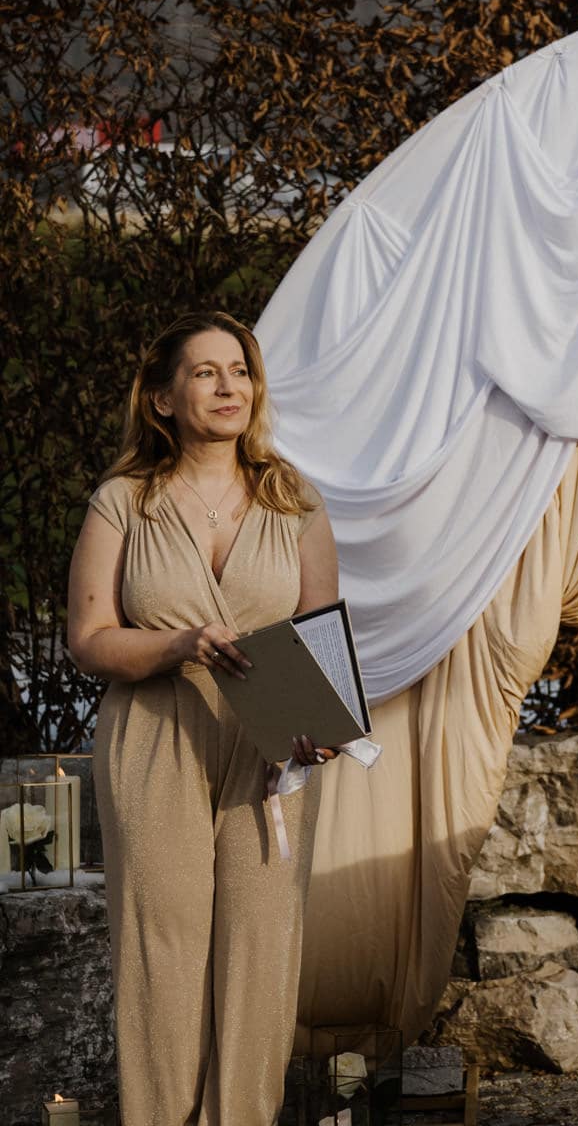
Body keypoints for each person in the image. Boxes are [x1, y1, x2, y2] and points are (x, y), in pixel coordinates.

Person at [66, 311, 340, 1125]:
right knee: (164, 951)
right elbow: (88, 639)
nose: (230, 387)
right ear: (161, 398)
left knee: (262, 950)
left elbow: (322, 634)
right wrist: (180, 641)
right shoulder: (124, 501)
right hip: (155, 737)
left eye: (241, 371)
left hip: (272, 747)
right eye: (206, 372)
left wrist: (318, 728)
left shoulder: (295, 499)